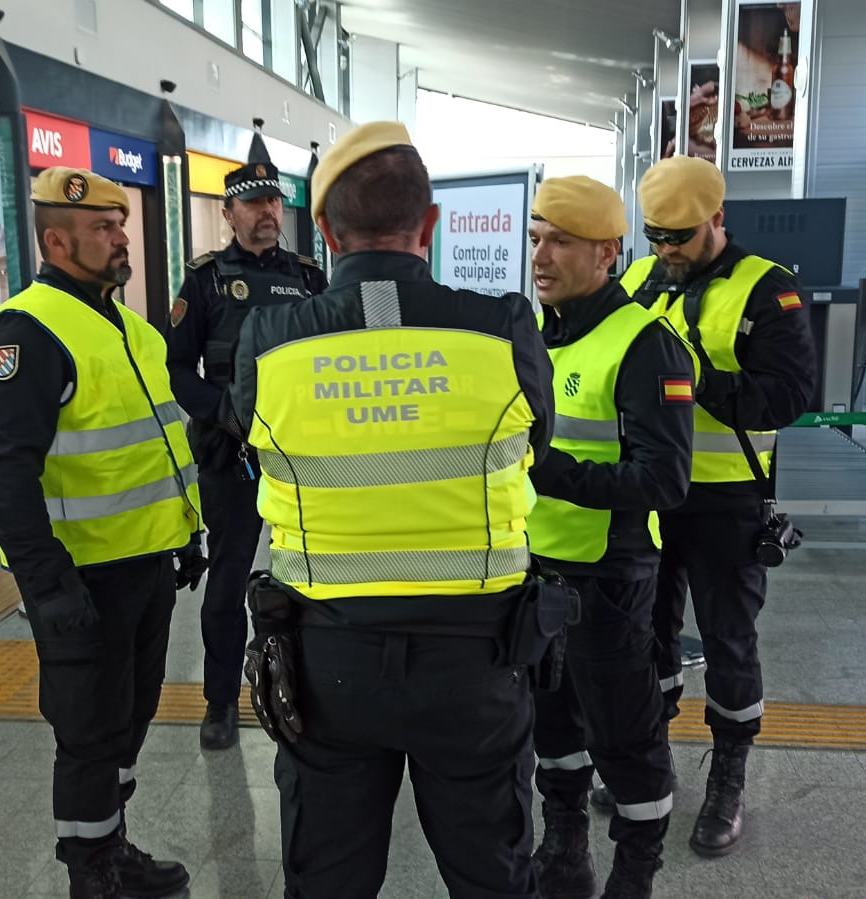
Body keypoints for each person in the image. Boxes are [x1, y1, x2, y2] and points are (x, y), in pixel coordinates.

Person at [229, 122, 560, 899]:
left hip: (326, 667)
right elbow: (534, 445)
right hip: (477, 664)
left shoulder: (268, 339)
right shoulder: (504, 329)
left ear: (321, 229)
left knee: (329, 880)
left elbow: (250, 442)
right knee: (494, 876)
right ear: (432, 224)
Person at [0, 166, 207, 899]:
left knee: (129, 718)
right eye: (103, 228)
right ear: (55, 239)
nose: (120, 237)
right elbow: (5, 475)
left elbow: (158, 443)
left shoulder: (128, 325)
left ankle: (114, 842)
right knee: (86, 731)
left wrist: (185, 531)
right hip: (81, 580)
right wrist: (47, 586)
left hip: (143, 566)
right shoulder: (27, 333)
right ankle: (91, 874)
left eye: (120, 224)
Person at [620, 156, 816, 858]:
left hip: (726, 497)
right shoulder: (641, 281)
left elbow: (791, 397)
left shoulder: (768, 288)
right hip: (647, 492)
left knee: (729, 641)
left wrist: (699, 380)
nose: (667, 252)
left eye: (679, 238)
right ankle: (651, 764)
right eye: (656, 238)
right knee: (647, 635)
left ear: (716, 220)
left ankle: (728, 778)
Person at [525, 176, 695, 899]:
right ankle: (565, 853)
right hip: (534, 574)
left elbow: (665, 481)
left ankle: (634, 874)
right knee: (553, 730)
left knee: (627, 741)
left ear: (606, 253)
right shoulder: (534, 338)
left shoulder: (646, 346)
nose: (541, 254)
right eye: (535, 237)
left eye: (559, 240)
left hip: (608, 582)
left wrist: (553, 472)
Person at [165, 128, 327, 751]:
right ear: (228, 213)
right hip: (229, 452)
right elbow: (180, 371)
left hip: (297, 454)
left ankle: (313, 689)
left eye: (274, 204)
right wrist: (228, 416)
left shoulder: (310, 280)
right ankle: (218, 703)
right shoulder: (205, 282)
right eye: (252, 204)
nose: (266, 214)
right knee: (228, 582)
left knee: (310, 570)